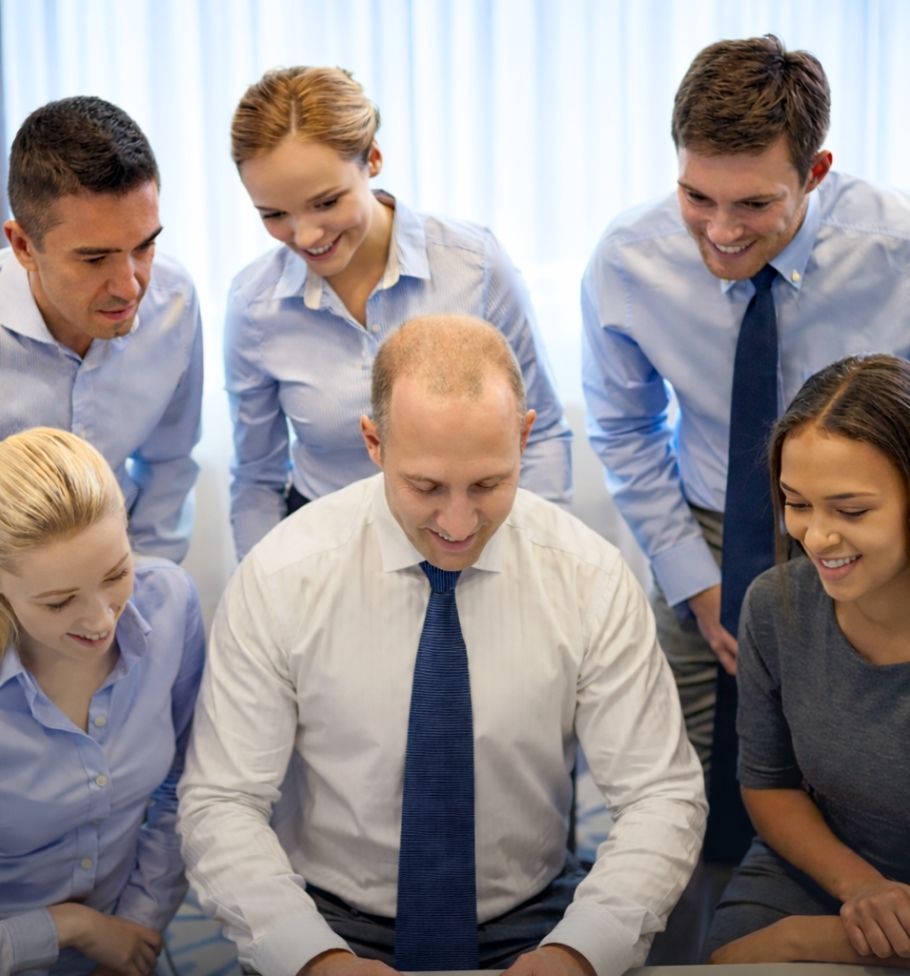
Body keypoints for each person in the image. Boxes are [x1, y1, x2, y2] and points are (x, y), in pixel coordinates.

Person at [179, 315, 706, 976]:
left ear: (524, 436)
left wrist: (580, 951)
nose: (458, 524)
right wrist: (309, 957)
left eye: (488, 485)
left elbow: (660, 794)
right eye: (425, 487)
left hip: (537, 921)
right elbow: (221, 802)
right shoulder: (282, 576)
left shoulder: (589, 578)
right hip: (323, 921)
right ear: (374, 442)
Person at [581, 34, 910, 860]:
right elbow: (624, 430)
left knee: (857, 769)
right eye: (697, 196)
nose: (720, 233)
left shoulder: (896, 254)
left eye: (754, 206)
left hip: (865, 530)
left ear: (816, 171)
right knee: (681, 788)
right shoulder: (628, 262)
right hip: (706, 528)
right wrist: (696, 585)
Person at [225, 66, 572, 560]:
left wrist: (534, 561)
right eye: (274, 215)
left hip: (474, 539)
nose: (305, 236)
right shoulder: (254, 306)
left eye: (326, 202)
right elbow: (257, 479)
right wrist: (260, 588)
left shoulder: (474, 265)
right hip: (326, 554)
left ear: (374, 160)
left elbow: (543, 435)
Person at [704, 354, 910, 965]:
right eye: (797, 504)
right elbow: (769, 787)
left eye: (851, 511)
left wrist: (806, 940)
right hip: (824, 862)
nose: (816, 538)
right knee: (722, 961)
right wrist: (859, 886)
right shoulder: (776, 606)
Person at [0, 427, 205, 975]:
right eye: (59, 601)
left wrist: (139, 924)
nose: (100, 620)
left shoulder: (170, 604)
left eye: (116, 574)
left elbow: (185, 781)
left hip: (132, 942)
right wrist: (73, 927)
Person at [0, 95, 204, 564]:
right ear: (23, 246)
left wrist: (148, 580)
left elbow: (169, 464)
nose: (130, 285)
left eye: (144, 246)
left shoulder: (174, 302)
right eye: (94, 259)